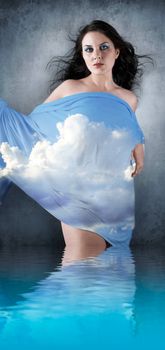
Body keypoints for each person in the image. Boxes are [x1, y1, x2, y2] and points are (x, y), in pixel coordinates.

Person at [0, 20, 152, 255]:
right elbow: (34, 129)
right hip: (77, 192)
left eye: (104, 47)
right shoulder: (69, 88)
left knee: (108, 278)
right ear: (82, 55)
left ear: (116, 51)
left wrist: (139, 145)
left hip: (116, 195)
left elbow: (125, 126)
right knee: (83, 266)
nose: (96, 55)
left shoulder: (129, 98)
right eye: (88, 49)